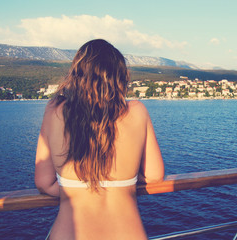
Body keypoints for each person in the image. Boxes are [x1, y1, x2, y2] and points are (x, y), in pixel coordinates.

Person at [34, 39, 165, 240]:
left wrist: (74, 190)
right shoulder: (137, 111)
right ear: (120, 76)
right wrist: (121, 183)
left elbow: (43, 183)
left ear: (76, 75)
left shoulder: (54, 111)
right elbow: (155, 176)